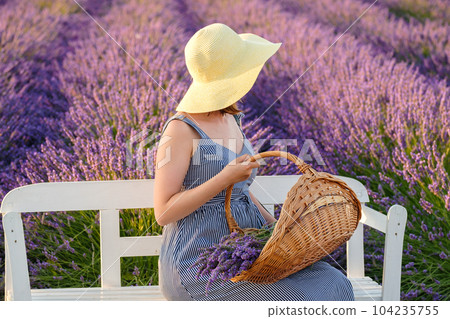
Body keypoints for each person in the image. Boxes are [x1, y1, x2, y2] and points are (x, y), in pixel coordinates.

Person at [154, 23, 355, 301]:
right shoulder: (180, 130)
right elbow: (163, 212)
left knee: (332, 280)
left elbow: (241, 192)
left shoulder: (230, 119)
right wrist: (224, 178)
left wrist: (279, 229)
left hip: (246, 249)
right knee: (301, 298)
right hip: (199, 266)